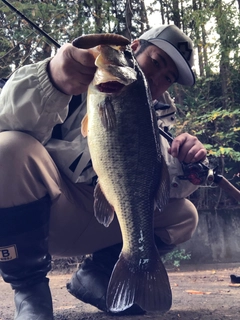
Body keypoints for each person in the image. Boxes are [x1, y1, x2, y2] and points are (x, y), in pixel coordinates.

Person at [0, 24, 207, 319]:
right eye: (157, 62)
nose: (158, 80)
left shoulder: (160, 126)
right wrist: (54, 78)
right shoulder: (74, 78)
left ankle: (98, 276)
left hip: (105, 219)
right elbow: (5, 120)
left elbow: (163, 188)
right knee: (7, 148)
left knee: (185, 215)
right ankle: (30, 294)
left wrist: (189, 167)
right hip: (44, 218)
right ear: (134, 48)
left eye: (168, 78)